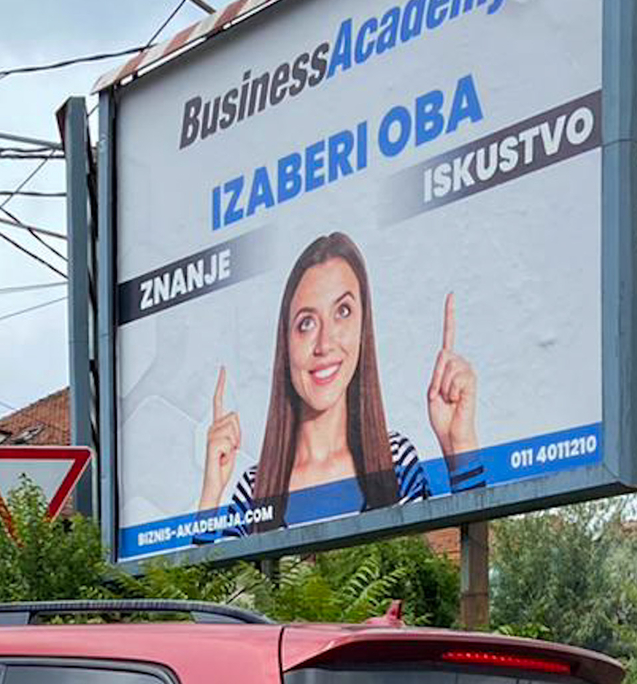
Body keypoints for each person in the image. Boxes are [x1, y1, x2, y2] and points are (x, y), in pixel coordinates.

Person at [195, 229, 483, 537]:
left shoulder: (396, 461)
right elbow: (207, 586)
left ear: (363, 327)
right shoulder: (254, 491)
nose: (324, 344)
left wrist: (461, 447)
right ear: (286, 343)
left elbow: (437, 575)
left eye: (342, 312)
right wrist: (211, 494)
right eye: (306, 323)